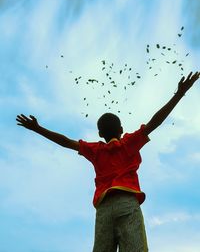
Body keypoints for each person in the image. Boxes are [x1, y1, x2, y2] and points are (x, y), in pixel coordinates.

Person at [16, 72, 199, 252]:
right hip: (127, 202)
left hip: (104, 208)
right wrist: (180, 93)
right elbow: (155, 122)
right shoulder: (128, 144)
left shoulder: (96, 150)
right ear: (121, 129)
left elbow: (66, 141)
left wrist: (38, 129)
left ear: (100, 134)